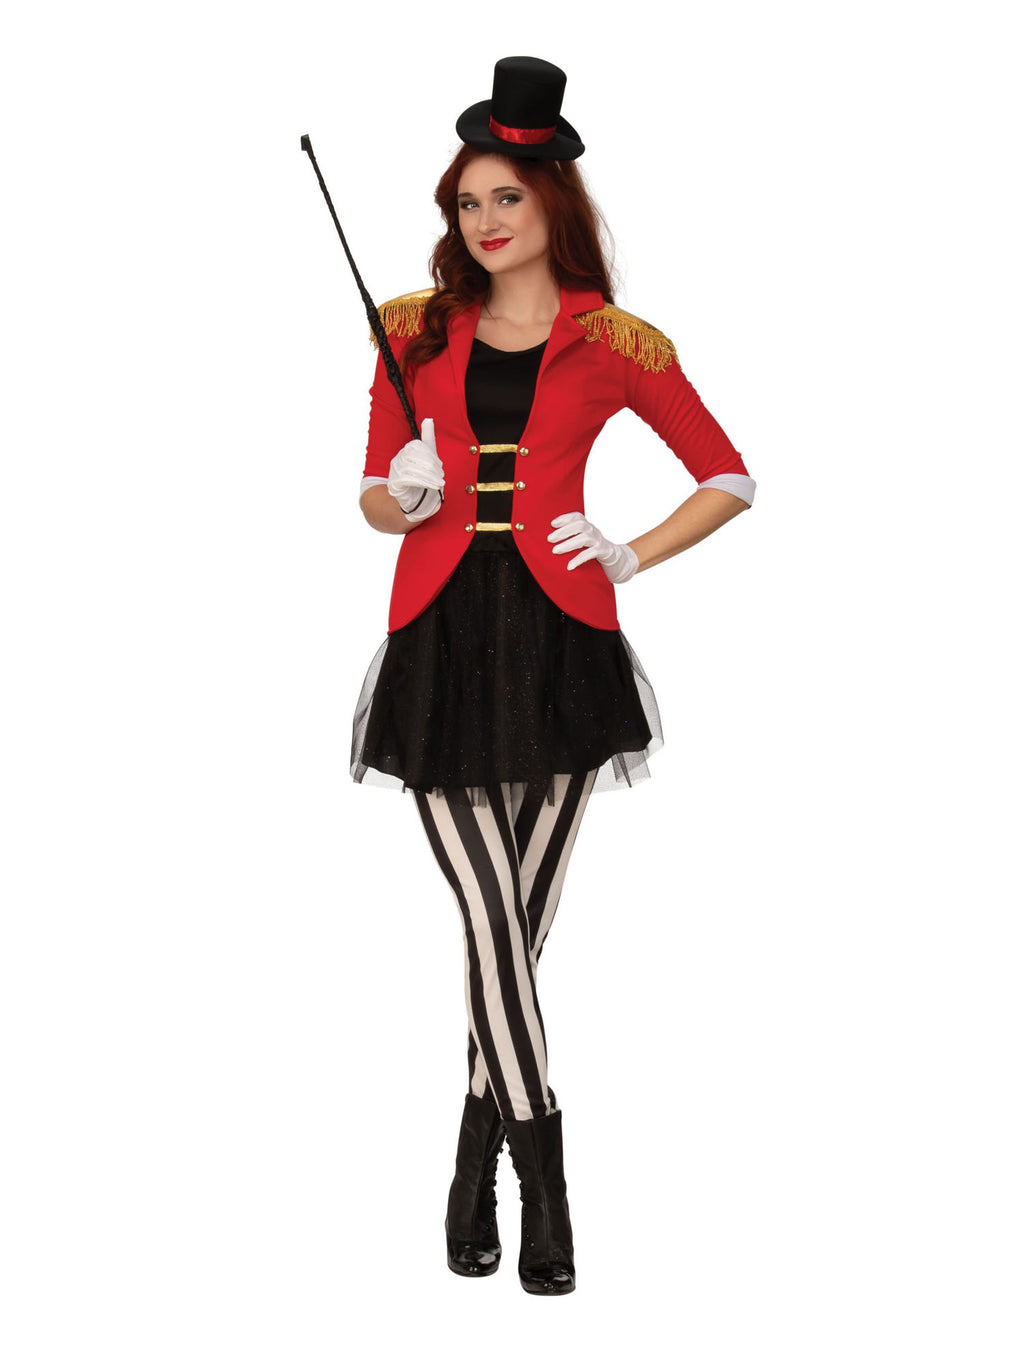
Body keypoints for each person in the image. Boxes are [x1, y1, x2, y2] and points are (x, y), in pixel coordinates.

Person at [350, 56, 756, 1295]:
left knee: (515, 929)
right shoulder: (412, 333)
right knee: (495, 919)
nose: (483, 220)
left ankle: (472, 1161)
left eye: (506, 198)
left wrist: (630, 551)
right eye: (466, 201)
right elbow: (371, 497)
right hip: (437, 637)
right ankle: (546, 1190)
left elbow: (729, 475)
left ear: (553, 205)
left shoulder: (615, 342)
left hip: (561, 638)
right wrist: (401, 492)